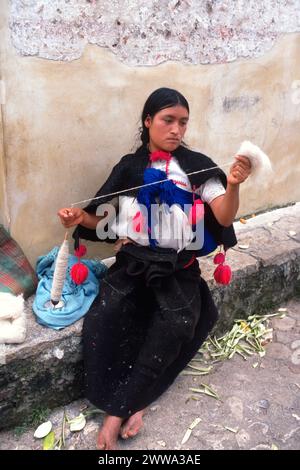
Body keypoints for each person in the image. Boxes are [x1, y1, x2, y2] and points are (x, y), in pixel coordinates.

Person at [58, 88, 251, 450]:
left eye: (183, 122)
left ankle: (121, 410)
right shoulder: (129, 168)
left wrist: (235, 185)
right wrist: (76, 217)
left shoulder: (197, 165)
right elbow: (104, 220)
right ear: (148, 121)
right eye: (168, 120)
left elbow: (223, 215)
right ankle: (134, 400)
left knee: (179, 324)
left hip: (177, 270)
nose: (176, 129)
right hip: (133, 264)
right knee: (105, 318)